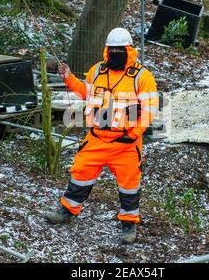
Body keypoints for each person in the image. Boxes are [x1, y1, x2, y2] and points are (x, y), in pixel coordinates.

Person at [44, 28, 158, 244]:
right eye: (111, 49)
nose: (115, 53)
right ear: (107, 50)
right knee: (80, 173)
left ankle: (128, 224)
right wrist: (69, 79)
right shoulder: (97, 70)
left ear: (129, 50)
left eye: (119, 50)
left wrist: (133, 135)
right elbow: (86, 91)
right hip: (96, 138)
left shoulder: (143, 77)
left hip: (126, 144)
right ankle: (67, 211)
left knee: (129, 184)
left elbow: (149, 109)